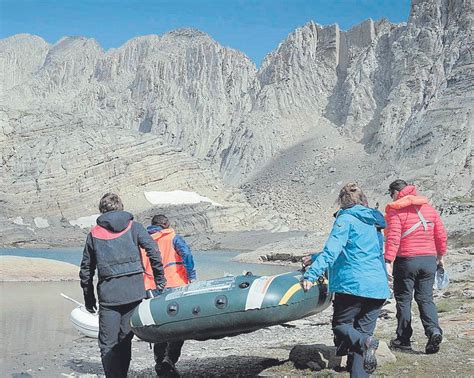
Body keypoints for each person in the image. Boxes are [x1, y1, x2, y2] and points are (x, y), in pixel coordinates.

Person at [302, 183, 390, 377]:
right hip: (377, 287)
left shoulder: (346, 219)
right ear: (362, 199)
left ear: (342, 201)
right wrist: (315, 257)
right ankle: (365, 346)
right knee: (360, 339)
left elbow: (333, 250)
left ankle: (367, 343)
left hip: (352, 286)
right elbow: (359, 250)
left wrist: (311, 274)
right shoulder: (373, 222)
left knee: (341, 326)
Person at [80, 193, 166, 378]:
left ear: (102, 210)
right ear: (121, 207)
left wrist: (88, 298)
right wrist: (160, 280)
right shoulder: (134, 227)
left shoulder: (94, 234)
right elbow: (153, 251)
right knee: (125, 340)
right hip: (134, 293)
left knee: (107, 344)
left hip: (109, 297)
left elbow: (86, 270)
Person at [384, 180, 447, 354]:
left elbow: (393, 238)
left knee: (404, 300)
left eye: (391, 194)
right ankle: (433, 330)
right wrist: (440, 256)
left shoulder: (397, 211)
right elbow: (441, 234)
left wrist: (388, 261)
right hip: (428, 260)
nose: (391, 197)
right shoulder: (429, 208)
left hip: (406, 261)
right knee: (426, 299)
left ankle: (403, 340)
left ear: (397, 192)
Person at [141, 214, 196, 376]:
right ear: (166, 224)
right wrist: (192, 276)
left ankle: (159, 361)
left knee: (160, 327)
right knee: (178, 326)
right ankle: (170, 359)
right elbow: (186, 254)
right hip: (174, 285)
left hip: (151, 288)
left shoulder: (143, 240)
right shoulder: (173, 237)